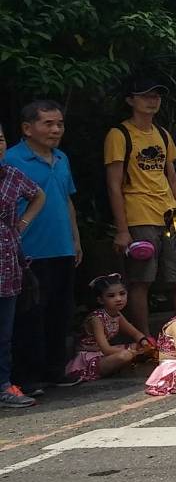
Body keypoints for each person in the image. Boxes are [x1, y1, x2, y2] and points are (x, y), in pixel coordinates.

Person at [4, 100, 82, 393]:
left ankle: (55, 370)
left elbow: (67, 200)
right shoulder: (10, 159)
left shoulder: (61, 158)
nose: (56, 129)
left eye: (59, 123)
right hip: (27, 249)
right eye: (47, 123)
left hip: (61, 246)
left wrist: (75, 239)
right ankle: (27, 376)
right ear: (27, 128)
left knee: (59, 311)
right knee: (29, 315)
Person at [104, 78, 176, 338]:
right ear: (130, 100)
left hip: (169, 213)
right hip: (139, 214)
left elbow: (172, 177)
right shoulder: (120, 134)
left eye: (157, 96)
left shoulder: (163, 133)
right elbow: (114, 184)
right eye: (145, 96)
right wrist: (122, 229)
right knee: (141, 280)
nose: (152, 101)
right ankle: (144, 339)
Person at [0, 122, 45, 410]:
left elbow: (38, 195)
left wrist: (23, 222)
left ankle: (4, 386)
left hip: (7, 260)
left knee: (4, 332)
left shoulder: (11, 175)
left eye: (1, 139)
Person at [64, 274, 151, 383]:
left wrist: (145, 342)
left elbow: (136, 333)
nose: (119, 299)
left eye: (122, 294)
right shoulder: (96, 318)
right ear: (100, 300)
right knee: (125, 355)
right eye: (111, 296)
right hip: (90, 357)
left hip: (105, 353)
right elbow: (106, 349)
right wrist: (134, 353)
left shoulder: (117, 314)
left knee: (146, 344)